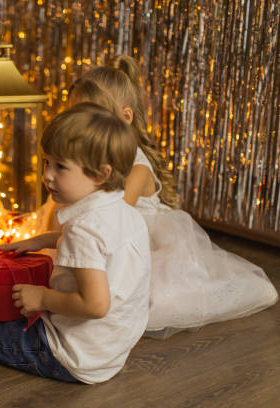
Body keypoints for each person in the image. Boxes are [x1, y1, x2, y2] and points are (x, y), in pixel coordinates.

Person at [0, 102, 151, 384]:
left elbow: (96, 305)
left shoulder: (84, 230)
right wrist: (38, 241)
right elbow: (101, 250)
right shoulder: (124, 212)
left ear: (101, 174)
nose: (47, 175)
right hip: (105, 352)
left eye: (60, 166)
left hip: (64, 354)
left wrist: (41, 298)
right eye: (46, 162)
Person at [65, 55, 278, 338]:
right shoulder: (94, 157)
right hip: (114, 235)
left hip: (145, 241)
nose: (81, 127)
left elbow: (114, 217)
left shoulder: (137, 167)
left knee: (154, 299)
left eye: (91, 118)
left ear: (124, 118)